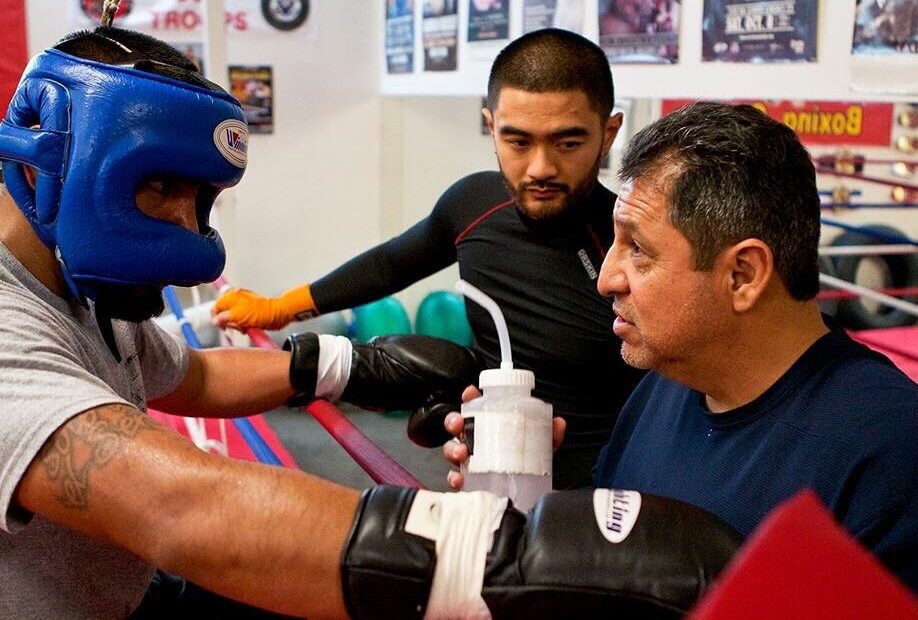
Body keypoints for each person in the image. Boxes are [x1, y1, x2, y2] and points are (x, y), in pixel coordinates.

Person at [0, 24, 745, 619]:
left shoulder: (86, 292)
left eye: (202, 201)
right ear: (46, 160)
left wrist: (350, 363)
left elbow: (190, 372)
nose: (187, 231)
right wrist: (494, 554)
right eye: (158, 187)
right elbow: (182, 505)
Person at [443, 101, 918, 591]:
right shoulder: (665, 388)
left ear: (743, 275)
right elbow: (612, 566)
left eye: (639, 250)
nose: (606, 279)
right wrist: (538, 503)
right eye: (614, 242)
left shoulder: (888, 454)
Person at [213, 28, 647, 490]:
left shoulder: (633, 247)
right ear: (492, 125)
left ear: (609, 133)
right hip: (490, 474)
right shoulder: (474, 205)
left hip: (603, 498)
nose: (540, 167)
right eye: (518, 142)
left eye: (567, 143)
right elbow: (390, 264)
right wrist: (282, 306)